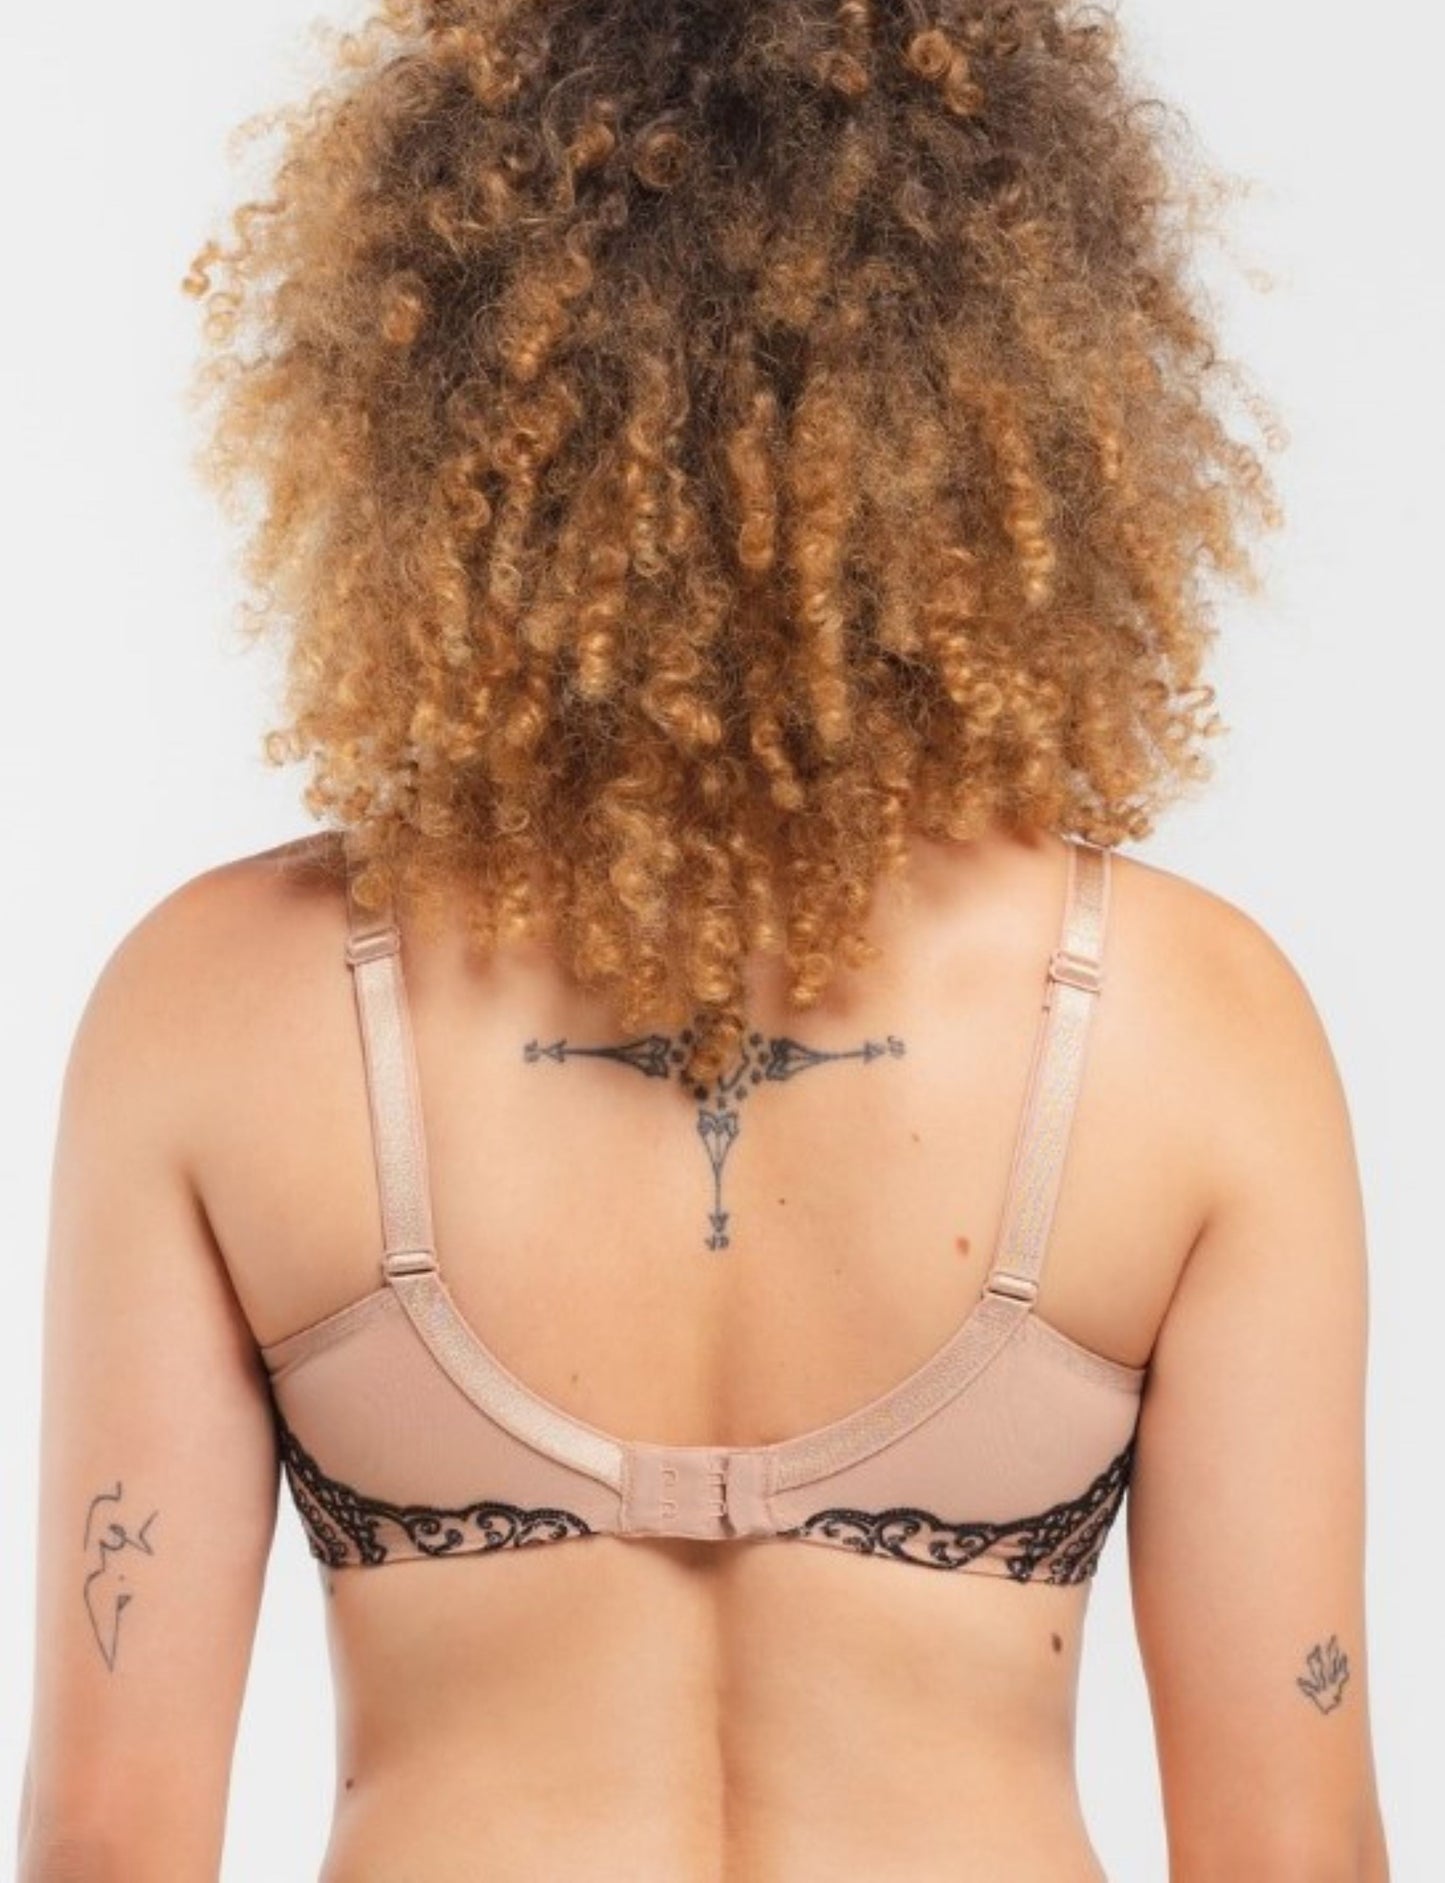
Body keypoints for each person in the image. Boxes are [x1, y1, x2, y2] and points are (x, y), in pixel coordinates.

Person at [19, 1, 1390, 1877]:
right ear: (1001, 392)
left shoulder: (219, 1005)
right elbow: (1292, 1849)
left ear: (444, 396)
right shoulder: (1192, 1025)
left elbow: (108, 1842)